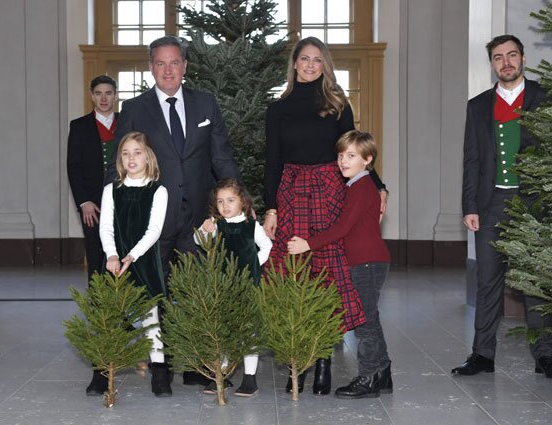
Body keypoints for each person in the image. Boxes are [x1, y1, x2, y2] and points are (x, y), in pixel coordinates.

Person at [107, 35, 240, 388]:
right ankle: (160, 366)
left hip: (197, 219)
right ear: (151, 68)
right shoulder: (135, 108)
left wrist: (236, 204)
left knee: (196, 290)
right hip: (152, 221)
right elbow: (120, 162)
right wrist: (118, 217)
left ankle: (197, 363)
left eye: (174, 62)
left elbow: (221, 157)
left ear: (185, 66)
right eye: (160, 63)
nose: (168, 70)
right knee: (155, 293)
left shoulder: (205, 105)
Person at [262, 36, 388, 395]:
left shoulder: (336, 103)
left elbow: (354, 148)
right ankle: (297, 360)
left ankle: (323, 363)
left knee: (329, 279)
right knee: (293, 276)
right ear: (295, 63)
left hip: (330, 191)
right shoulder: (278, 108)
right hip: (291, 193)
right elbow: (271, 162)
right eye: (305, 58)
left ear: (325, 64)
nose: (311, 64)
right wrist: (271, 208)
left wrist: (378, 184)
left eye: (318, 59)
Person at [454, 34, 552, 379]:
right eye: (498, 57)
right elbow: (471, 159)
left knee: (537, 282)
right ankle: (482, 355)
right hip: (492, 203)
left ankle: (544, 355)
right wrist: (469, 205)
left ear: (523, 59)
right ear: (492, 65)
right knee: (488, 281)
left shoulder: (548, 100)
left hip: (536, 203)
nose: (506, 63)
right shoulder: (478, 106)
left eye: (511, 55)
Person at [288, 130, 392, 399]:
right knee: (370, 317)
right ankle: (382, 372)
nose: (343, 161)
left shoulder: (361, 187)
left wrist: (308, 244)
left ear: (367, 159)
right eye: (340, 156)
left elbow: (342, 228)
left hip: (366, 263)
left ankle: (367, 378)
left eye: (351, 156)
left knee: (364, 322)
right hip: (369, 261)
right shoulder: (356, 185)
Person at [99, 132, 171, 396]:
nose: (131, 158)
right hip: (115, 261)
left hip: (143, 260)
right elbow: (105, 226)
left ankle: (160, 373)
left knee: (150, 317)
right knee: (112, 317)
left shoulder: (158, 190)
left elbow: (154, 230)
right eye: (126, 153)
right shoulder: (111, 190)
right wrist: (112, 255)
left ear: (148, 156)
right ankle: (102, 371)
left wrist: (133, 255)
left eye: (137, 152)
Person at [194, 178, 272, 397]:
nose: (225, 205)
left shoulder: (251, 226)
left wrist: (255, 264)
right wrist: (204, 228)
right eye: (220, 201)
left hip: (247, 285)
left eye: (230, 200)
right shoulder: (217, 225)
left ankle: (250, 379)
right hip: (222, 286)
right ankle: (224, 374)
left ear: (243, 202)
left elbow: (267, 245)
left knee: (249, 331)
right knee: (224, 330)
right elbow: (199, 241)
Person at [66, 75, 119, 396]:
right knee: (98, 268)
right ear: (91, 96)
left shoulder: (128, 122)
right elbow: (73, 167)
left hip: (126, 209)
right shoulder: (80, 126)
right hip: (94, 209)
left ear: (115, 95)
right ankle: (101, 323)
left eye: (108, 93)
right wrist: (85, 201)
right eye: (98, 94)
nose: (103, 99)